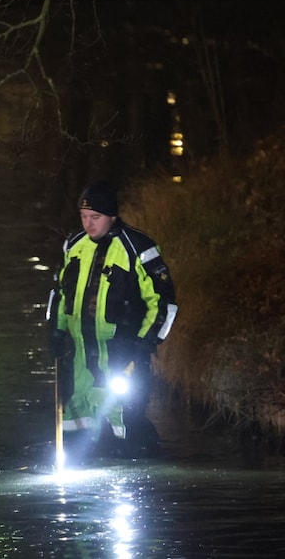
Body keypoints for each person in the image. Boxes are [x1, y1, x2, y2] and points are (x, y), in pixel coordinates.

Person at [48, 180, 177, 457]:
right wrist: (55, 331)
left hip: (122, 354)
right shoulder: (74, 245)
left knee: (124, 417)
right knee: (75, 416)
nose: (88, 224)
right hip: (81, 353)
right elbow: (59, 293)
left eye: (96, 217)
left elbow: (163, 302)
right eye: (84, 217)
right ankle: (78, 471)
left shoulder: (137, 247)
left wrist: (145, 343)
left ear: (112, 216)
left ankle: (132, 465)